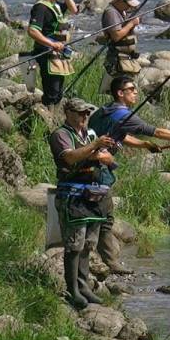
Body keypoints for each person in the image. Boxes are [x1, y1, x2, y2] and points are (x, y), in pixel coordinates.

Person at [87, 76, 170, 274]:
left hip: (89, 166)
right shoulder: (123, 114)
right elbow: (155, 131)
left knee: (100, 216)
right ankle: (99, 262)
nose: (135, 92)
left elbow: (121, 135)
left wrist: (143, 144)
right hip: (97, 171)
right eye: (131, 89)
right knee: (102, 217)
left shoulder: (105, 110)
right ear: (120, 93)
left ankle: (103, 260)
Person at [48, 97, 116, 309]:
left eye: (87, 113)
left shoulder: (91, 134)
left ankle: (84, 285)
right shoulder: (60, 135)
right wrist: (95, 147)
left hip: (94, 196)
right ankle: (73, 290)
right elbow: (69, 158)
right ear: (67, 113)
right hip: (72, 196)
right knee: (74, 245)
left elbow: (110, 161)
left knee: (88, 244)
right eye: (80, 113)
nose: (85, 117)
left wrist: (105, 157)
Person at [28, 0, 78, 106]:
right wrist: (52, 44)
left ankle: (53, 115)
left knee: (59, 91)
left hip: (58, 52)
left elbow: (74, 10)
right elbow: (32, 31)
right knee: (52, 91)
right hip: (46, 52)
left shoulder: (54, 6)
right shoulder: (40, 8)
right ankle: (46, 116)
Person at [100, 0, 144, 92]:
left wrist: (132, 23)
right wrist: (131, 23)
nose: (129, 7)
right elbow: (116, 36)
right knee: (121, 92)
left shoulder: (121, 11)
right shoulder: (111, 12)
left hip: (125, 60)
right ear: (119, 0)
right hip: (117, 61)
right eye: (128, 4)